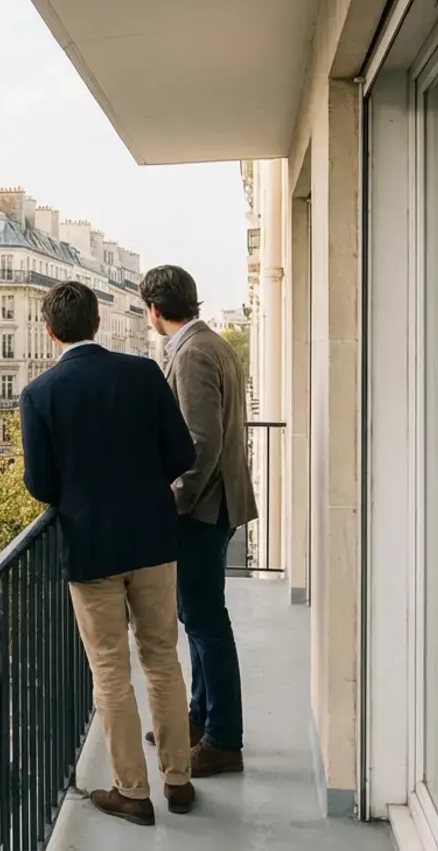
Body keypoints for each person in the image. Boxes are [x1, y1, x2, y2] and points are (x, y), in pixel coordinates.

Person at [19, 281, 198, 826]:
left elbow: (40, 484)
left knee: (110, 672)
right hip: (153, 538)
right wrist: (141, 485)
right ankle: (179, 780)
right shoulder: (143, 373)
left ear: (49, 332)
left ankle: (133, 792)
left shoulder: (40, 394)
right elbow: (182, 452)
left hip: (91, 546)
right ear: (98, 323)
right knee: (162, 658)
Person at [140, 265, 257, 778]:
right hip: (219, 502)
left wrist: (176, 502)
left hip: (204, 509)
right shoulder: (212, 343)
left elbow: (200, 442)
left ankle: (223, 739)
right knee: (199, 617)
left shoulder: (190, 353)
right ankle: (200, 720)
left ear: (154, 310)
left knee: (206, 623)